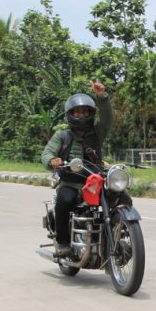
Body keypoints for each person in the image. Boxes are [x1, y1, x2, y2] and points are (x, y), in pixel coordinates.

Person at [41, 81, 113, 256]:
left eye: (85, 111)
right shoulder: (62, 135)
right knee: (64, 200)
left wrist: (102, 97)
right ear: (70, 114)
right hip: (71, 183)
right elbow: (46, 154)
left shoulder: (97, 133)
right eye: (77, 112)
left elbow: (107, 119)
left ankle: (121, 230)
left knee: (122, 197)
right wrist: (53, 160)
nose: (81, 115)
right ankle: (63, 242)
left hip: (95, 183)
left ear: (90, 113)